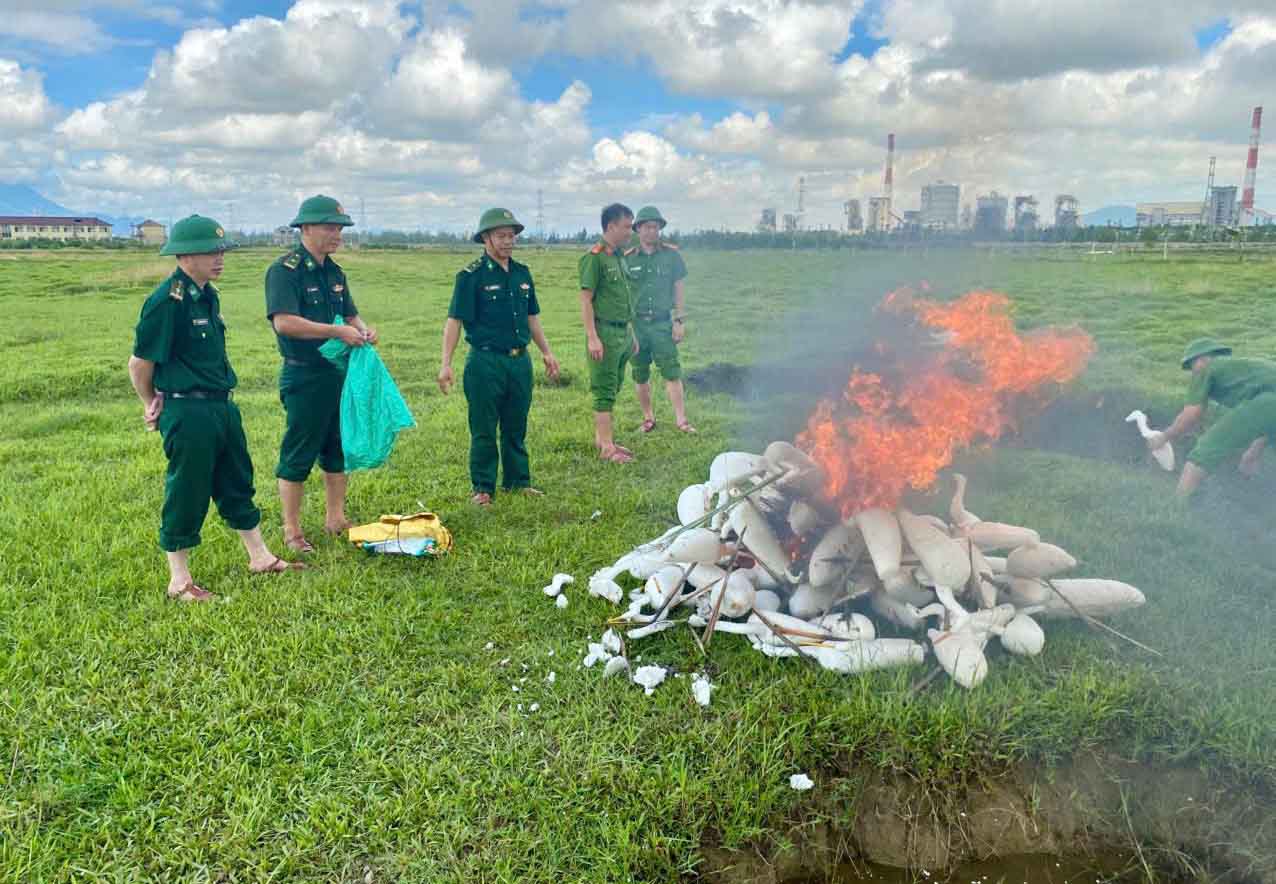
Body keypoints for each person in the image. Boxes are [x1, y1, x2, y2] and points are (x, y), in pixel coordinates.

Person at [129, 215, 302, 602]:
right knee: (187, 490)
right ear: (185, 255)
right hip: (187, 411)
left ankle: (260, 556)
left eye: (221, 250)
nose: (220, 258)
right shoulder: (166, 301)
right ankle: (179, 581)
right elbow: (140, 364)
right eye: (211, 251)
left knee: (236, 480)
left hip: (222, 406)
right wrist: (149, 402)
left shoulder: (207, 294)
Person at [264, 195, 377, 552]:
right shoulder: (284, 271)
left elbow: (349, 314)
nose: (337, 234)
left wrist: (362, 329)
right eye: (330, 227)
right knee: (299, 451)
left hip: (337, 374)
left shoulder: (335, 271)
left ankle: (336, 518)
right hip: (304, 376)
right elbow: (284, 323)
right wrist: (336, 332)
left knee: (336, 449)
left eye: (340, 228)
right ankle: (293, 531)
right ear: (306, 228)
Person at [438, 208, 560, 506]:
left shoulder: (522, 274)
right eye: (501, 236)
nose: (508, 241)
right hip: (484, 362)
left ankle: (518, 482)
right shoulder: (470, 277)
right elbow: (455, 321)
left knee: (516, 424)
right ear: (486, 238)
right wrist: (446, 364)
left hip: (520, 362)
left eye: (511, 236)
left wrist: (546, 352)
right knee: (483, 427)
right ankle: (483, 488)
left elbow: (532, 317)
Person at [1147, 338, 1276, 496]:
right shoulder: (1246, 369)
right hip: (1268, 405)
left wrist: (1164, 437)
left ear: (1202, 359)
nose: (1193, 373)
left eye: (1191, 366)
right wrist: (1253, 452)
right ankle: (1260, 503)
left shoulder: (1207, 369)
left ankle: (1176, 506)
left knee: (1205, 450)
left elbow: (1191, 414)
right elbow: (1267, 419)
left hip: (1268, 402)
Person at [624, 205, 694, 434]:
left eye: (656, 227)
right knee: (640, 373)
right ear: (638, 230)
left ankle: (681, 421)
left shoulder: (671, 256)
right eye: (647, 227)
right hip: (637, 326)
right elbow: (623, 292)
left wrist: (679, 320)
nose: (652, 231)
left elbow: (679, 287)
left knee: (672, 371)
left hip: (663, 323)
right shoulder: (628, 259)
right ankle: (648, 419)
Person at [579, 203, 638, 463]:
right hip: (604, 333)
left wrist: (631, 333)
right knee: (604, 390)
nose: (630, 232)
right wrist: (593, 336)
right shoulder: (595, 257)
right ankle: (606, 449)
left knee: (614, 387)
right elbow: (586, 300)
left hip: (623, 332)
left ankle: (604, 439)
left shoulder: (619, 256)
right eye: (627, 226)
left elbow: (624, 298)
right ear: (611, 226)